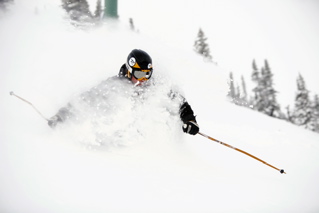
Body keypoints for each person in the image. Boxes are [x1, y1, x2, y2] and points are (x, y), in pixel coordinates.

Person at [48, 49, 199, 135]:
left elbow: (179, 101)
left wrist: (189, 120)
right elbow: (85, 100)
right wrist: (62, 116)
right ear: (129, 71)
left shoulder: (155, 86)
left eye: (147, 74)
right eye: (139, 75)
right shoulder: (114, 86)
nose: (143, 80)